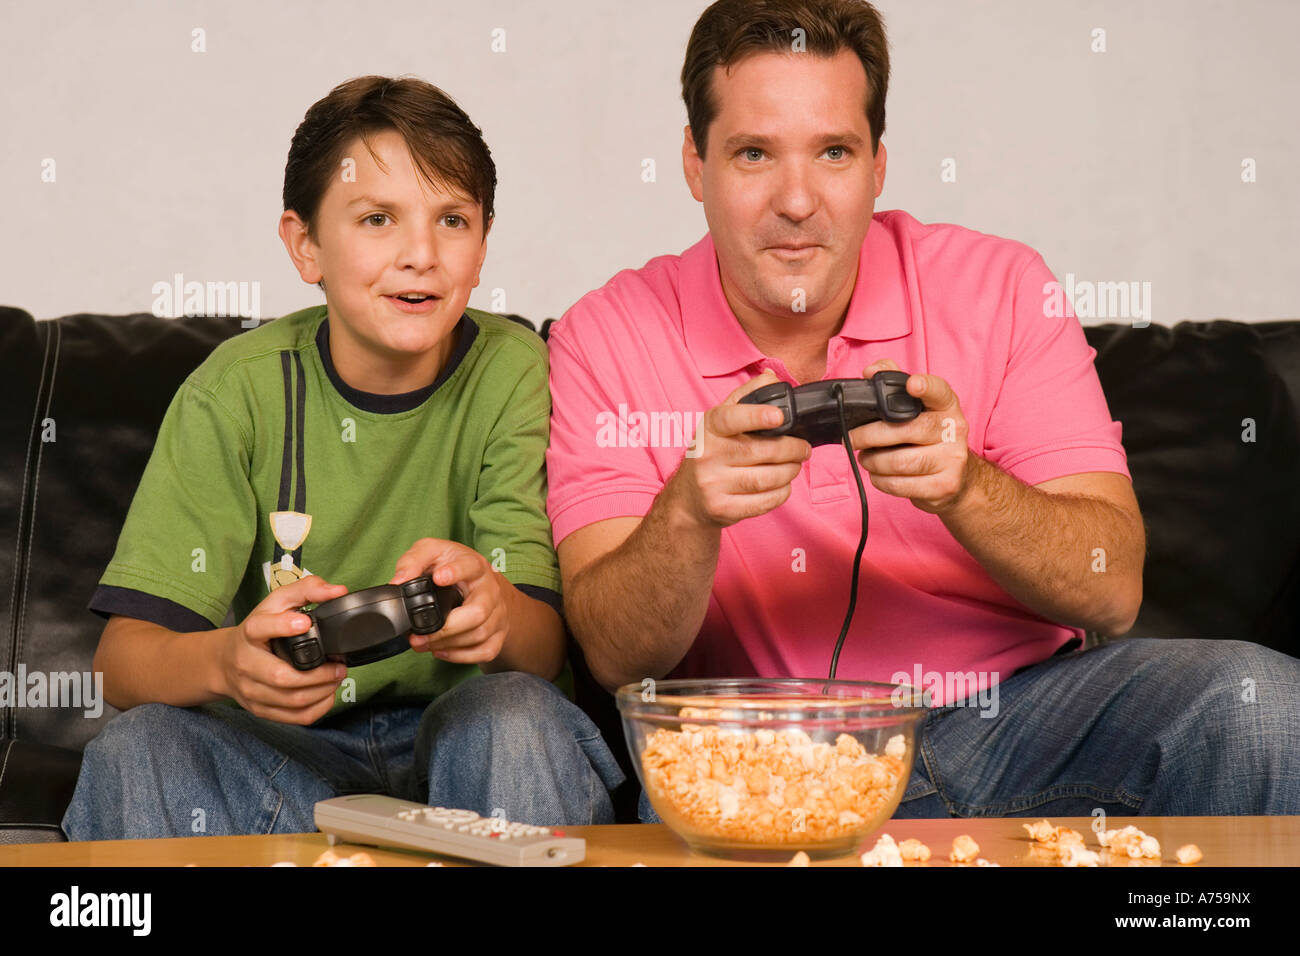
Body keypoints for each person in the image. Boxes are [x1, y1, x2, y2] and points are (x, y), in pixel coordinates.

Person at [546, 0, 1300, 822]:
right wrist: (688, 512)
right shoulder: (605, 334)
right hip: (763, 754)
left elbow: (1111, 589)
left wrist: (967, 488)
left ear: (877, 165)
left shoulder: (1003, 288)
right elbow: (616, 656)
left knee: (1260, 701)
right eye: (753, 153)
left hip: (1021, 719)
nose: (796, 200)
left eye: (833, 152)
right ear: (696, 164)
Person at [62, 75, 624, 840]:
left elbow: (544, 645)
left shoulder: (514, 368)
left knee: (517, 716)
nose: (420, 255)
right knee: (138, 749)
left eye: (452, 220)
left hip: (462, 752)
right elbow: (121, 661)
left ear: (483, 244)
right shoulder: (234, 391)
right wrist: (229, 663)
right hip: (285, 758)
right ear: (306, 245)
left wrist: (495, 607)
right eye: (377, 219)